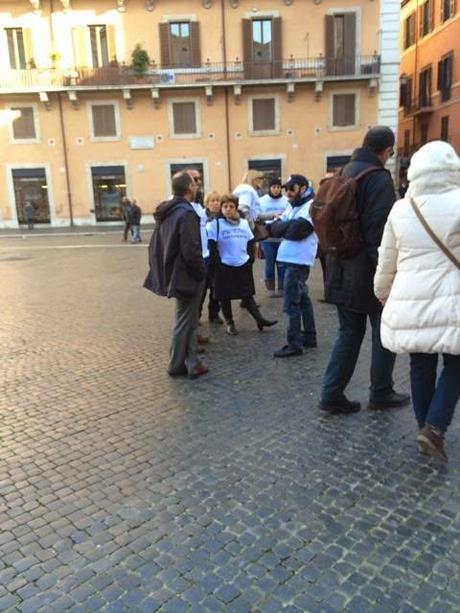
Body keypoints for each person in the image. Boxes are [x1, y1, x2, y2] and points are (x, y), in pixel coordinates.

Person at [374, 141, 460, 461]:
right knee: (456, 363)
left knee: (420, 363)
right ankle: (434, 428)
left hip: (411, 296)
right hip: (453, 296)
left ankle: (427, 427)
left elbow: (387, 258)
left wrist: (382, 290)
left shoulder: (402, 207)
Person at [320, 126, 410, 414]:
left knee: (349, 331)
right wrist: (386, 279)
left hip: (339, 265)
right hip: (367, 269)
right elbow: (379, 234)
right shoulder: (378, 179)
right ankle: (381, 391)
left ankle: (331, 393)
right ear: (386, 150)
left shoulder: (344, 172)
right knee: (384, 331)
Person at [143, 171, 207, 379]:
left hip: (175, 271)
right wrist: (201, 271)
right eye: (195, 184)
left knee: (187, 319)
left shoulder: (170, 211)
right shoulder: (186, 213)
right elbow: (191, 249)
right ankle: (176, 364)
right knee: (184, 319)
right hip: (186, 273)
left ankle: (192, 362)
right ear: (189, 188)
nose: (197, 187)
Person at [207, 194, 277, 336]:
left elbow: (251, 241)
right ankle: (230, 323)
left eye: (231, 206)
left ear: (236, 208)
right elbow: (212, 245)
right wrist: (217, 263)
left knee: (247, 295)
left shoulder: (244, 223)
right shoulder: (215, 224)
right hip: (224, 265)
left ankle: (260, 319)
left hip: (242, 264)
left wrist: (250, 258)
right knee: (224, 296)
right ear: (221, 208)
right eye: (225, 206)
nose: (228, 209)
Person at [267, 175, 318, 358]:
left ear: (303, 188)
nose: (287, 192)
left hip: (299, 259)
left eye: (291, 188)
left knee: (292, 302)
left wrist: (282, 226)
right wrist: (283, 226)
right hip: (291, 258)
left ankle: (294, 343)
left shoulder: (310, 206)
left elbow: (298, 230)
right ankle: (309, 337)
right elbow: (276, 226)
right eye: (286, 188)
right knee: (302, 298)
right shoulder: (294, 205)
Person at [258, 177, 289, 297]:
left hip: (282, 237)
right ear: (269, 188)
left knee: (281, 263)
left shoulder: (286, 201)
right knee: (269, 263)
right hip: (267, 237)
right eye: (273, 187)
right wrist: (271, 215)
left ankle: (282, 288)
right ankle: (271, 289)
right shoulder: (262, 201)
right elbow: (258, 215)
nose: (276, 190)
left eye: (278, 187)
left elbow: (289, 214)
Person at [201, 191, 223, 324]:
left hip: (218, 257)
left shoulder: (222, 217)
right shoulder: (201, 217)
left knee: (216, 288)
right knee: (202, 289)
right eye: (212, 201)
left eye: (217, 201)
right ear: (207, 203)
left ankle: (214, 314)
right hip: (205, 257)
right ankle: (196, 315)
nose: (215, 203)